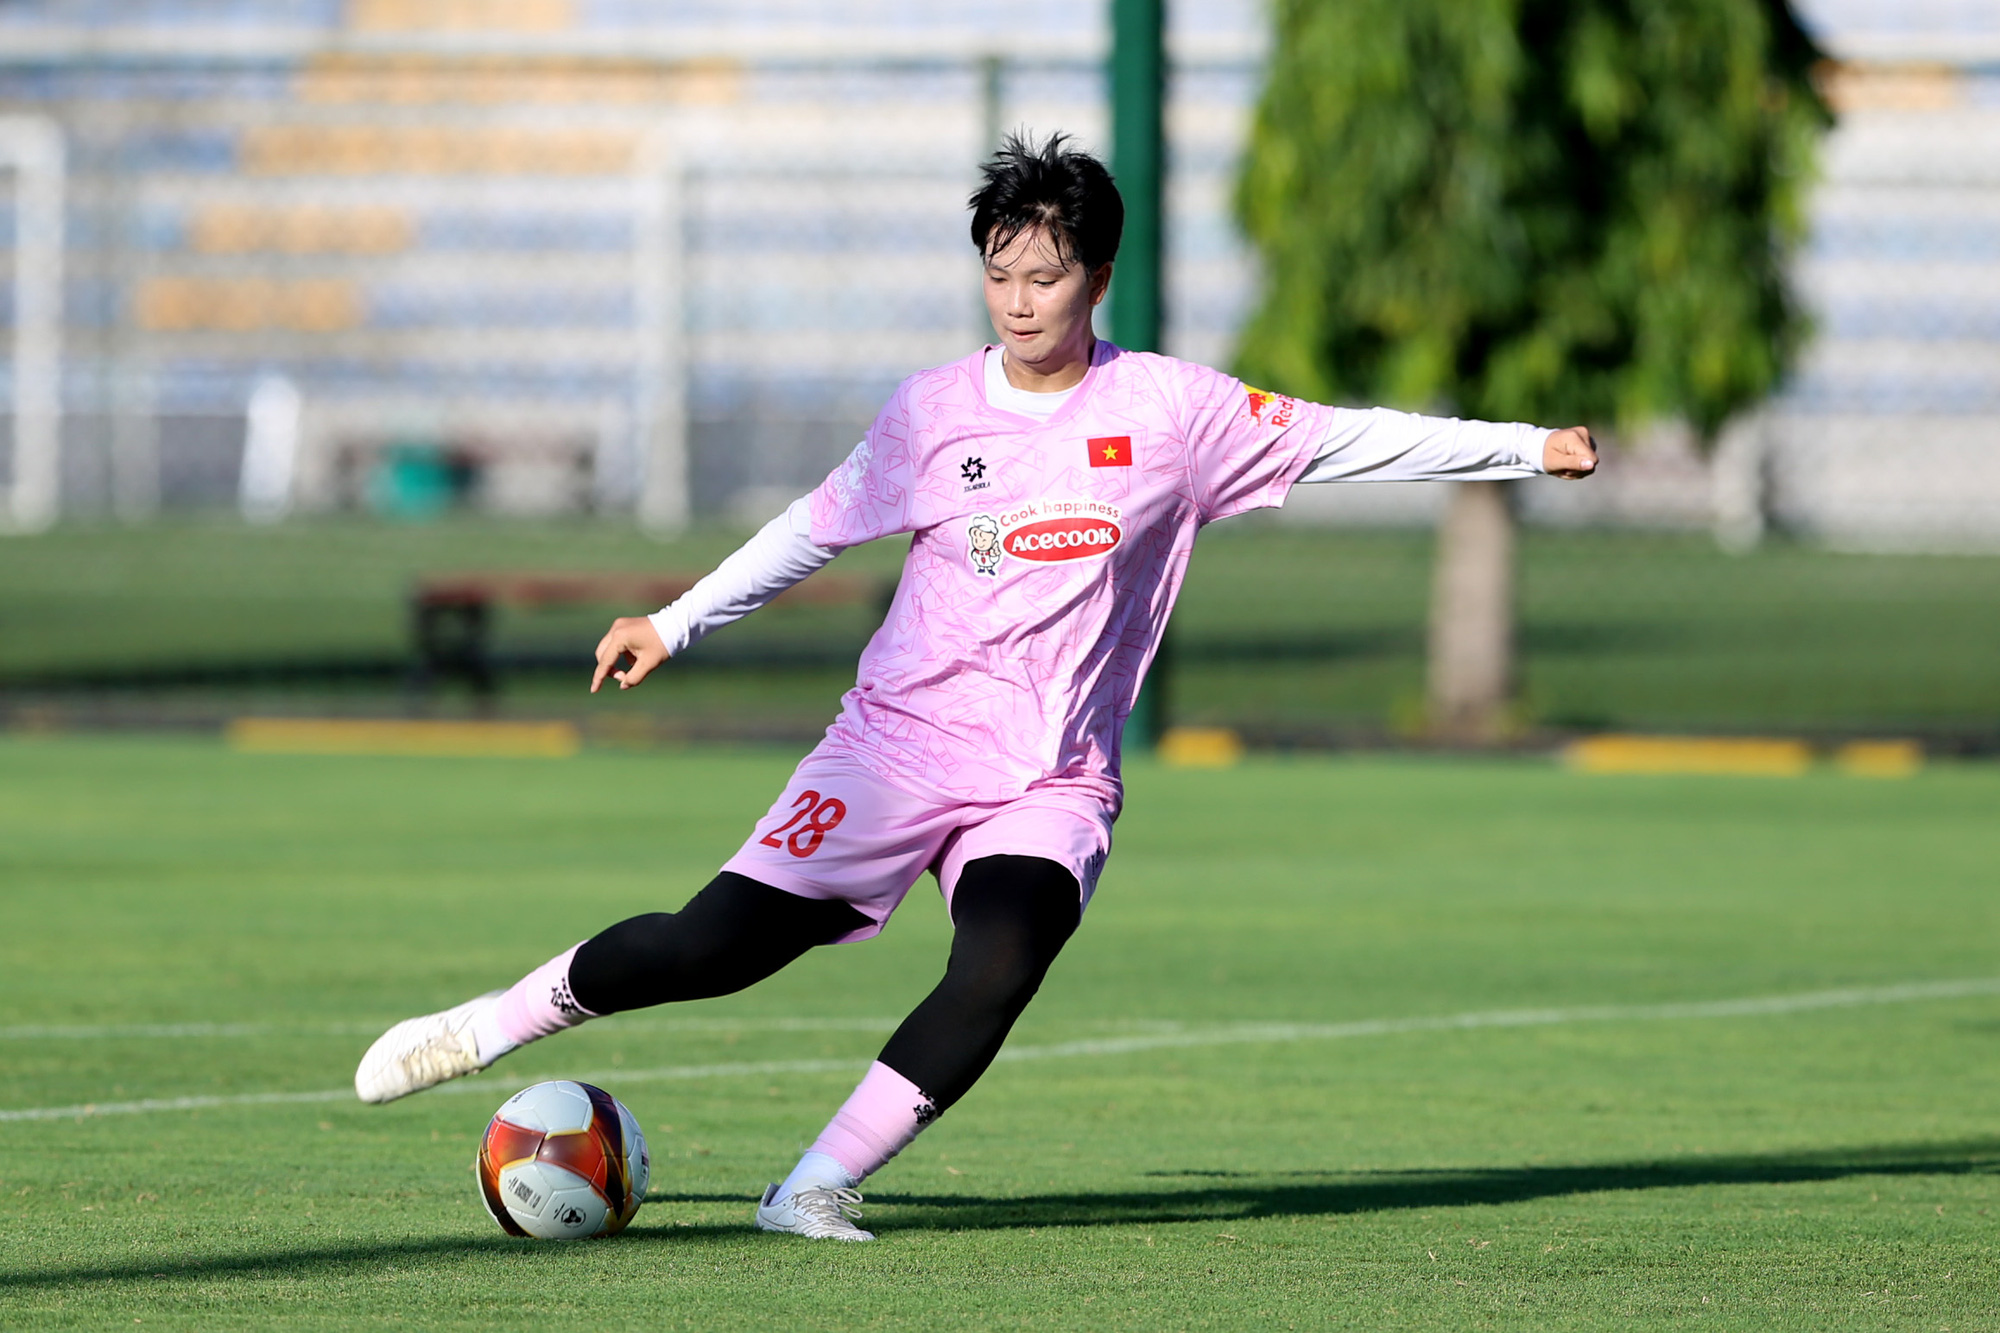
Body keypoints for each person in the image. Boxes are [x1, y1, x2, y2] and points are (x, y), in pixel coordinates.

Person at [354, 132, 1597, 1241]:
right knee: (714, 948)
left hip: (1049, 773)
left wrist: (1525, 448)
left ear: (1098, 280)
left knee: (1003, 954)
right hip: (891, 749)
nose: (1017, 300)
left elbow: (1342, 435)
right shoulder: (932, 411)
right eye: (998, 273)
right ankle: (489, 1025)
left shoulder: (1169, 409)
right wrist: (674, 622)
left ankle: (812, 1186)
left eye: (1044, 276)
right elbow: (812, 527)